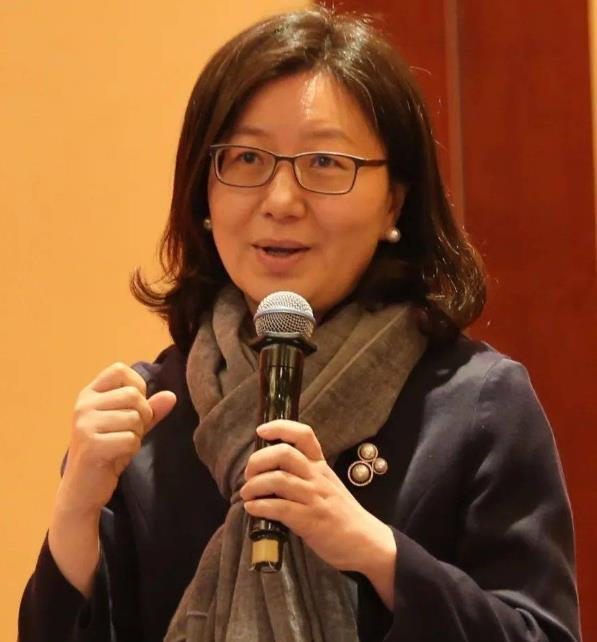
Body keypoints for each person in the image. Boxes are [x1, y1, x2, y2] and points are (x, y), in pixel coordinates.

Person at [18, 7, 580, 642]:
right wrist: (75, 511)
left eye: (325, 163)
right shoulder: (150, 418)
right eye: (246, 158)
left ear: (394, 201)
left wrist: (377, 553)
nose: (281, 201)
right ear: (204, 195)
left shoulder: (477, 405)